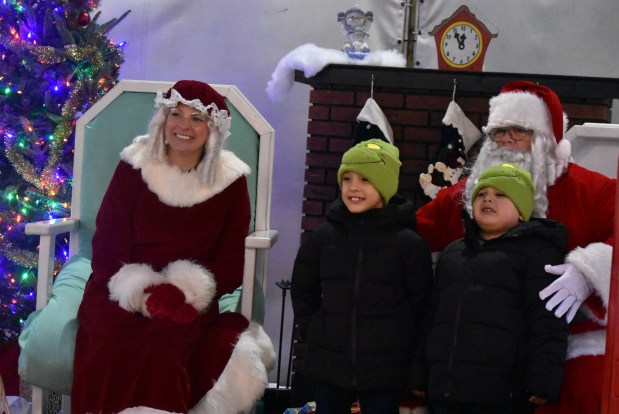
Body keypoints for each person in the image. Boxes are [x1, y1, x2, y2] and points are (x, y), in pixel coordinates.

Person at [72, 80, 275, 414]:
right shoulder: (133, 166)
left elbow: (230, 259)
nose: (184, 125)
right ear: (163, 120)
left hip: (188, 298)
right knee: (111, 343)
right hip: (118, 287)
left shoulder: (231, 182)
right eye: (176, 114)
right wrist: (140, 290)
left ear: (212, 130)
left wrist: (183, 293)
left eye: (197, 119)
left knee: (164, 346)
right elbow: (108, 240)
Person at [416, 80, 616, 414]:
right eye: (498, 131)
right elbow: (413, 236)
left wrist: (589, 271)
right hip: (477, 361)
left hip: (565, 346)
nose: (506, 139)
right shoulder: (470, 196)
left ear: (546, 140)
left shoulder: (593, 190)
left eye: (519, 130)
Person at [291, 139, 434, 414]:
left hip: (386, 368)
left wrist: (406, 350)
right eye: (347, 179)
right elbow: (302, 290)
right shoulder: (324, 237)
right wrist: (316, 332)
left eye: (366, 180)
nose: (353, 187)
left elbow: (422, 305)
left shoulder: (409, 244)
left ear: (385, 186)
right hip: (329, 365)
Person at [413, 163, 569, 413]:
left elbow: (547, 320)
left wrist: (543, 378)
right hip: (446, 389)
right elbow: (432, 318)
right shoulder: (454, 253)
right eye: (482, 194)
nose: (488, 200)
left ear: (521, 211)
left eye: (501, 194)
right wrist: (419, 372)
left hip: (502, 394)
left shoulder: (537, 254)